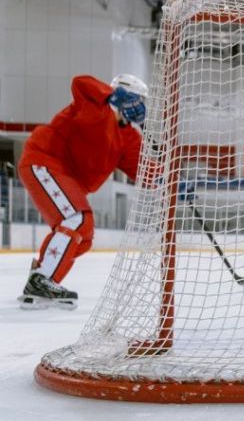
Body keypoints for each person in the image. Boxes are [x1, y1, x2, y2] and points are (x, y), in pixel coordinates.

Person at [17, 74, 148, 310]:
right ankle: (42, 280)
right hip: (45, 161)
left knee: (84, 237)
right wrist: (111, 95)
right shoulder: (95, 107)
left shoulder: (128, 136)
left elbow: (143, 169)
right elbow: (81, 83)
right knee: (76, 218)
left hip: (68, 180)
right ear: (125, 95)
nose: (141, 106)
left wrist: (172, 182)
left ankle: (41, 277)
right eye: (139, 99)